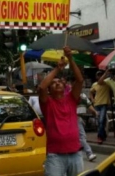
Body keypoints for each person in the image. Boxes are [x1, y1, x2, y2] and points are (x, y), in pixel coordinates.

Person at [38, 46, 84, 176]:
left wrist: (70, 58)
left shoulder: (71, 99)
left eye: (59, 82)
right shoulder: (48, 103)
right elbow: (42, 88)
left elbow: (80, 80)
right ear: (50, 89)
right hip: (55, 156)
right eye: (53, 83)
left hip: (75, 153)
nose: (57, 83)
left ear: (65, 86)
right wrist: (58, 68)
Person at [89, 70, 111, 144]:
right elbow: (91, 92)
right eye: (98, 75)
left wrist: (106, 73)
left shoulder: (107, 83)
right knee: (100, 121)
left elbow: (101, 81)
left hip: (104, 104)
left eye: (100, 75)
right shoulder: (94, 84)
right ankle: (103, 134)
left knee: (101, 121)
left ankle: (100, 136)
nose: (99, 76)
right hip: (97, 104)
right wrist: (92, 100)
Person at [77, 91, 98, 162]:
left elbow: (88, 105)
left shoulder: (82, 95)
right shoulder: (69, 94)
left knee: (79, 137)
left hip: (80, 118)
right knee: (82, 136)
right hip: (74, 118)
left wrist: (94, 112)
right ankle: (89, 153)